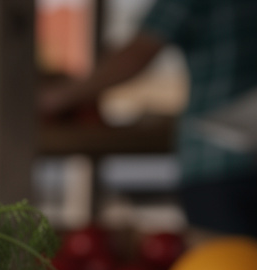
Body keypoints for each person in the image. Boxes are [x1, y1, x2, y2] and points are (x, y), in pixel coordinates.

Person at [41, 0, 257, 237]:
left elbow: (137, 54)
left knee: (228, 264)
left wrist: (56, 97)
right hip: (225, 167)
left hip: (218, 164)